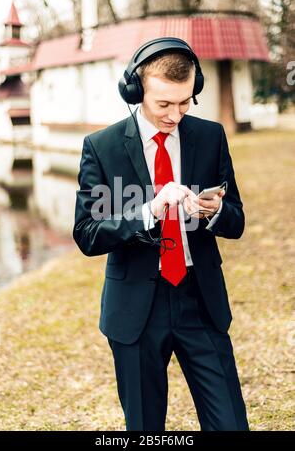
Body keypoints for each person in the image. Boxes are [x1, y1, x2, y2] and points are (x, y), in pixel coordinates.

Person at [73, 37, 249, 431]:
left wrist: (215, 210)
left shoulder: (210, 137)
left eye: (185, 102)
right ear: (136, 92)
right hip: (136, 309)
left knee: (231, 424)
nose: (175, 115)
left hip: (200, 301)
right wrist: (149, 210)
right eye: (164, 104)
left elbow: (236, 221)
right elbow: (88, 233)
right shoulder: (102, 148)